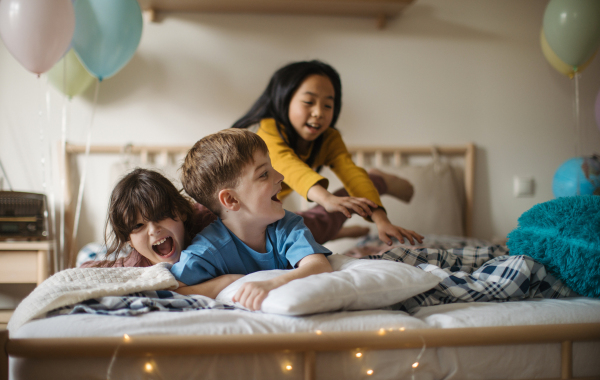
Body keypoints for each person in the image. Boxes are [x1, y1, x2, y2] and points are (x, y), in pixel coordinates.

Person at [233, 60, 423, 246]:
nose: (318, 112)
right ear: (284, 99)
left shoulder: (329, 139)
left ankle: (375, 180)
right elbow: (287, 164)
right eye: (309, 101)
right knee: (288, 233)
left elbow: (352, 174)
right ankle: (334, 231)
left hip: (262, 223)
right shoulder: (266, 130)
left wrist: (382, 221)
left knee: (289, 236)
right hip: (242, 216)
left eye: (328, 105)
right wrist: (326, 199)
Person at [170, 128, 333, 311]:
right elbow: (174, 292)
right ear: (231, 199)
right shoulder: (206, 250)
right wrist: (229, 280)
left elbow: (319, 266)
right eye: (264, 174)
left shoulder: (287, 225)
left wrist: (270, 284)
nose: (280, 177)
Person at [81, 168, 237, 299]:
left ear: (181, 212)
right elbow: (84, 272)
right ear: (129, 240)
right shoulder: (135, 265)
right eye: (138, 226)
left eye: (161, 215)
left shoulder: (210, 220)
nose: (153, 229)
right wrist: (227, 281)